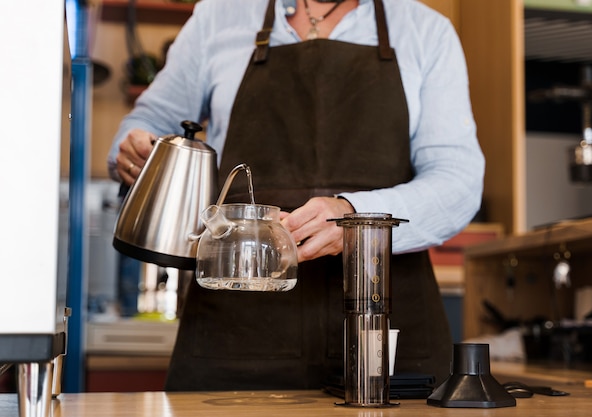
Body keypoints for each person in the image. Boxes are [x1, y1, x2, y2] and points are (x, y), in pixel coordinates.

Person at [108, 0, 485, 391]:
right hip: (237, 335)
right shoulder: (217, 17)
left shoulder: (426, 31)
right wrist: (133, 146)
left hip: (385, 337)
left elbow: (459, 182)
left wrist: (356, 217)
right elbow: (150, 122)